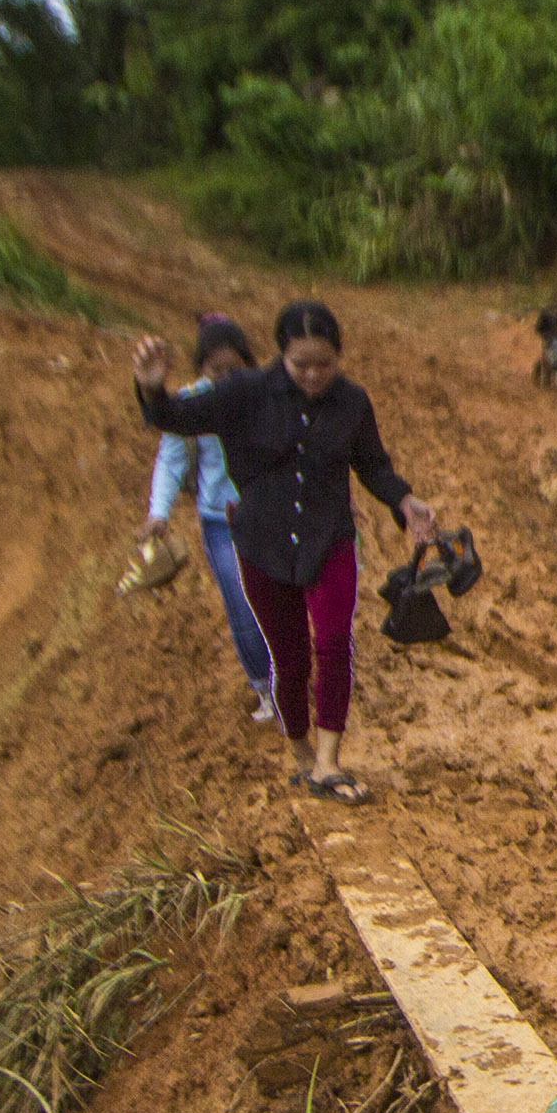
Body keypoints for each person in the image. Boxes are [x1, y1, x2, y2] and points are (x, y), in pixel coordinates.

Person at [133, 299, 437, 803]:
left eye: (325, 364)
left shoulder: (353, 403)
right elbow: (175, 417)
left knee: (335, 642)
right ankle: (301, 753)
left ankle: (328, 761)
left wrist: (404, 501)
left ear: (339, 357)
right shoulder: (243, 394)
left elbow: (373, 464)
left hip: (329, 538)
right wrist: (151, 386)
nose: (315, 374)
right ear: (281, 356)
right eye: (302, 365)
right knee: (290, 658)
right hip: (262, 545)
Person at [136, 313, 276, 726]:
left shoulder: (266, 395)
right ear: (201, 371)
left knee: (279, 598)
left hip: (267, 512)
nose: (226, 379)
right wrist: (158, 513)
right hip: (220, 521)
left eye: (234, 369)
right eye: (217, 371)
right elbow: (171, 456)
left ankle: (289, 671)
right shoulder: (193, 405)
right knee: (242, 603)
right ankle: (266, 687)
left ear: (249, 365)